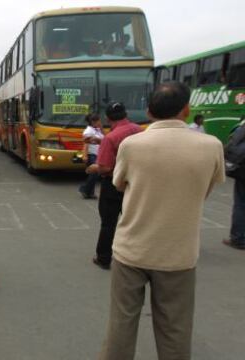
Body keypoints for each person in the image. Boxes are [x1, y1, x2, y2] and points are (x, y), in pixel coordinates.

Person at [98, 81, 225, 360]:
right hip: (178, 254)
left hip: (131, 249)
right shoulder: (211, 146)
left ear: (149, 111)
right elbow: (206, 188)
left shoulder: (131, 145)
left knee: (122, 324)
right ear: (187, 110)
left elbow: (119, 184)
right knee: (175, 329)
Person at [86, 102, 142, 270]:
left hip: (113, 184)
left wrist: (94, 167)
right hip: (136, 182)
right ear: (126, 114)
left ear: (108, 118)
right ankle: (134, 257)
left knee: (108, 223)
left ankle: (103, 258)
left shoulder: (111, 138)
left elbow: (105, 167)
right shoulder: (140, 131)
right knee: (134, 221)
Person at [223, 117, 245, 250]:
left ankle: (238, 238)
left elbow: (232, 145)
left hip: (242, 171)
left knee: (241, 203)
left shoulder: (242, 126)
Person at [79, 113, 104, 199]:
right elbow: (86, 144)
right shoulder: (88, 131)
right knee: (95, 173)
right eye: (98, 121)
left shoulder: (97, 130)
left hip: (98, 154)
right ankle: (85, 189)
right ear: (93, 122)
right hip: (92, 154)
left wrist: (101, 128)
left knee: (94, 173)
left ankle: (89, 192)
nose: (100, 122)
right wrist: (85, 155)